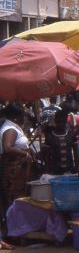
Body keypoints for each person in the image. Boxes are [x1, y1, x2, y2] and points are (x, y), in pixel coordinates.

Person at [0, 103, 31, 242]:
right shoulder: (10, 129)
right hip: (12, 171)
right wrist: (24, 155)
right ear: (16, 116)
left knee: (14, 200)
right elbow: (7, 147)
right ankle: (13, 233)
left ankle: (15, 231)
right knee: (12, 201)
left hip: (16, 171)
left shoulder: (11, 126)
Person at [44, 110, 78, 175]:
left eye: (63, 122)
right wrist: (47, 172)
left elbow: (76, 154)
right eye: (58, 122)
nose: (61, 124)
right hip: (55, 171)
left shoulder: (71, 134)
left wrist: (76, 169)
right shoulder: (50, 136)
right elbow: (47, 156)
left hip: (70, 169)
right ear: (55, 121)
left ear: (66, 121)